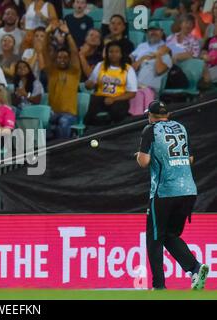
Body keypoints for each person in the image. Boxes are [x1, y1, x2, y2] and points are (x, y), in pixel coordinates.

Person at [136, 100, 209, 290]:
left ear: (151, 116)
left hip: (164, 191)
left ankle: (159, 287)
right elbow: (190, 158)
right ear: (167, 115)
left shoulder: (150, 130)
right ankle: (195, 268)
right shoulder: (181, 128)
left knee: (154, 239)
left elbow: (143, 161)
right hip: (188, 191)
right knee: (169, 235)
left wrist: (141, 154)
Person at [85, 41, 138, 126]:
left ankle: (112, 132)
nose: (113, 54)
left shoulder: (128, 69)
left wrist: (114, 99)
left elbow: (132, 93)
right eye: (111, 51)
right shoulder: (100, 65)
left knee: (117, 110)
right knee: (91, 103)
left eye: (116, 52)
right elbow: (91, 84)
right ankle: (88, 128)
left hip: (118, 99)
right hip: (100, 97)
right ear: (107, 53)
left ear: (121, 54)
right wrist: (88, 85)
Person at [45, 22, 81, 139]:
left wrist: (68, 34)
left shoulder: (74, 72)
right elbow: (44, 52)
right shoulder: (52, 71)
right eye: (59, 57)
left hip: (69, 114)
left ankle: (62, 151)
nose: (62, 60)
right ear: (55, 59)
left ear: (69, 60)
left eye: (65, 57)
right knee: (41, 122)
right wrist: (47, 33)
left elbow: (75, 53)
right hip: (53, 113)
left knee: (64, 122)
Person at [130, 21, 172, 116]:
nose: (153, 32)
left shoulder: (166, 55)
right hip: (136, 87)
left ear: (161, 32)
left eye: (156, 30)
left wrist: (158, 55)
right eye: (150, 30)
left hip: (150, 89)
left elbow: (159, 71)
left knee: (139, 94)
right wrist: (142, 59)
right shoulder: (142, 47)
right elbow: (132, 67)